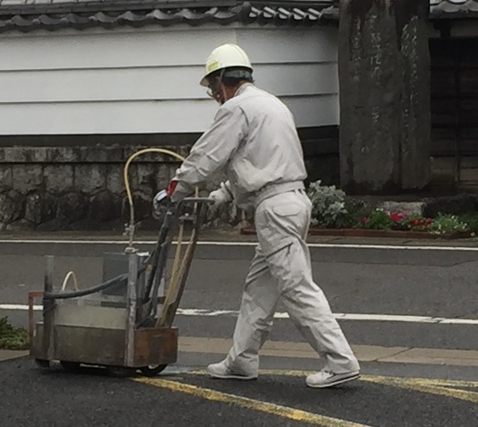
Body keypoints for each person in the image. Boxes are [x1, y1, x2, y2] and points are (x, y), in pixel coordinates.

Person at [153, 43, 360, 388]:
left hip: (274, 210)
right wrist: (225, 194)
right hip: (290, 200)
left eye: (212, 87)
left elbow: (207, 155)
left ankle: (340, 361)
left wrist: (176, 190)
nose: (214, 95)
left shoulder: (237, 108)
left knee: (296, 286)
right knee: (259, 288)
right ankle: (242, 359)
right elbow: (261, 159)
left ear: (221, 81)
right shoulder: (271, 105)